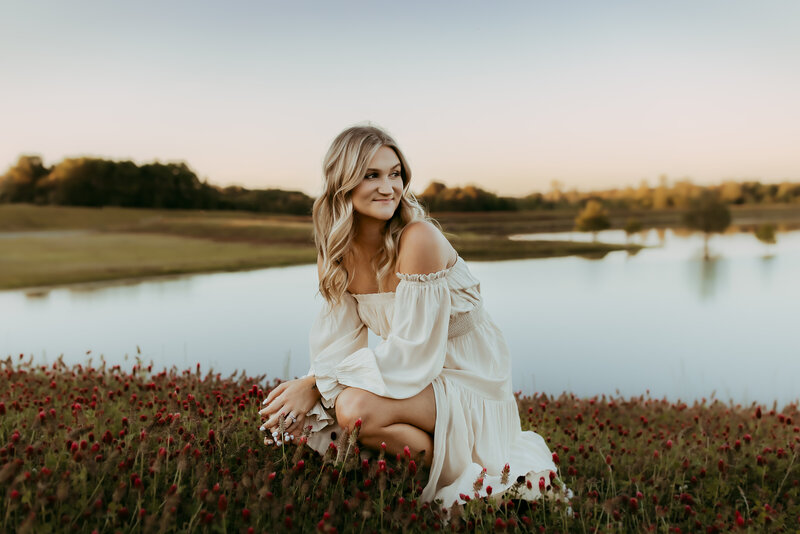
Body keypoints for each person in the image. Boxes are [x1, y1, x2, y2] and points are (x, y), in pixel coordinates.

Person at [257, 124, 562, 509]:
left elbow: (413, 353)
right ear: (343, 182)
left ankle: (468, 476)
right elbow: (337, 346)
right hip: (418, 379)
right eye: (372, 175)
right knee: (319, 413)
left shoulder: (418, 238)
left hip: (467, 378)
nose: (388, 187)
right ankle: (419, 472)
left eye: (395, 173)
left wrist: (317, 384)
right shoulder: (336, 254)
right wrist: (310, 386)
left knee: (352, 408)